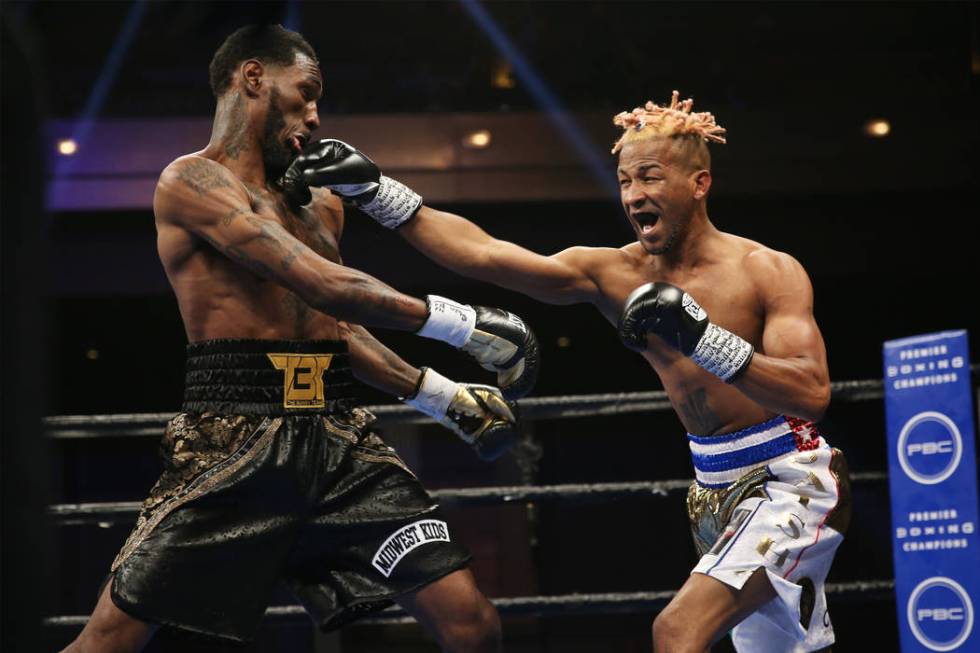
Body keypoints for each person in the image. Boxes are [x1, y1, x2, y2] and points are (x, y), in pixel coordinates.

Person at [285, 92, 853, 652]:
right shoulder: (614, 272)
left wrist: (703, 338)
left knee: (677, 632)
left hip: (792, 478)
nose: (634, 195)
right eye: (626, 180)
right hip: (712, 487)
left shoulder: (765, 270)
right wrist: (378, 193)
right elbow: (484, 255)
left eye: (651, 178)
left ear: (698, 184)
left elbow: (811, 392)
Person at [62, 24, 541, 653]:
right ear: (254, 77)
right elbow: (320, 282)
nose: (316, 117)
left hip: (340, 444)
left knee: (472, 625)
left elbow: (334, 327)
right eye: (306, 93)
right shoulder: (191, 183)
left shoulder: (318, 202)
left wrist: (442, 397)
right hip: (233, 444)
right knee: (111, 641)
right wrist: (463, 327)